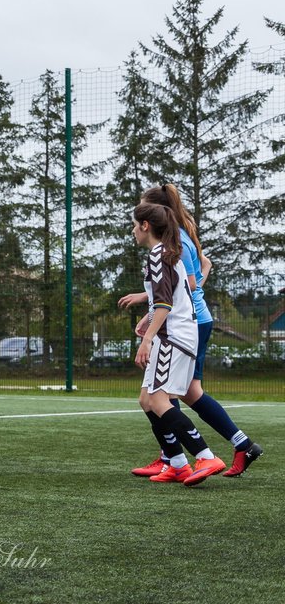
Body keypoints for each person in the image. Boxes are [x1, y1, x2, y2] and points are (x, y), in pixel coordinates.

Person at [118, 183, 263, 478]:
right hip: (182, 321)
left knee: (169, 395)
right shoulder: (174, 240)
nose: (134, 227)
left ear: (152, 219)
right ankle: (178, 459)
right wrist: (150, 307)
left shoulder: (170, 245)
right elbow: (197, 270)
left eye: (139, 217)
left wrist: (150, 320)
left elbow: (183, 286)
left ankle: (197, 456)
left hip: (184, 324)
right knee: (162, 395)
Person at [129, 202, 224, 485]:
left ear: (146, 226)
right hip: (178, 334)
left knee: (159, 398)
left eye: (135, 225)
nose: (133, 230)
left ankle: (205, 456)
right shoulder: (169, 254)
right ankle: (179, 463)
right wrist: (148, 321)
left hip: (172, 338)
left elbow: (164, 303)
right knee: (147, 399)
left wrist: (147, 338)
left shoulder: (159, 255)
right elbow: (172, 297)